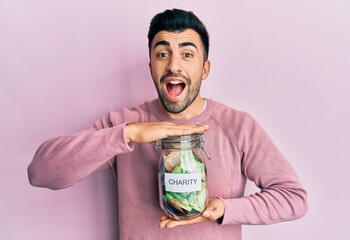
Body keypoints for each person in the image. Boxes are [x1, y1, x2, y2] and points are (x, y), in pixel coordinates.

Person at [28, 8, 308, 239]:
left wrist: (224, 209)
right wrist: (130, 133)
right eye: (163, 54)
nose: (174, 66)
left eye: (187, 54)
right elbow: (41, 173)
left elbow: (294, 198)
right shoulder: (123, 124)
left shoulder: (238, 126)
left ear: (205, 68)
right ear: (151, 66)